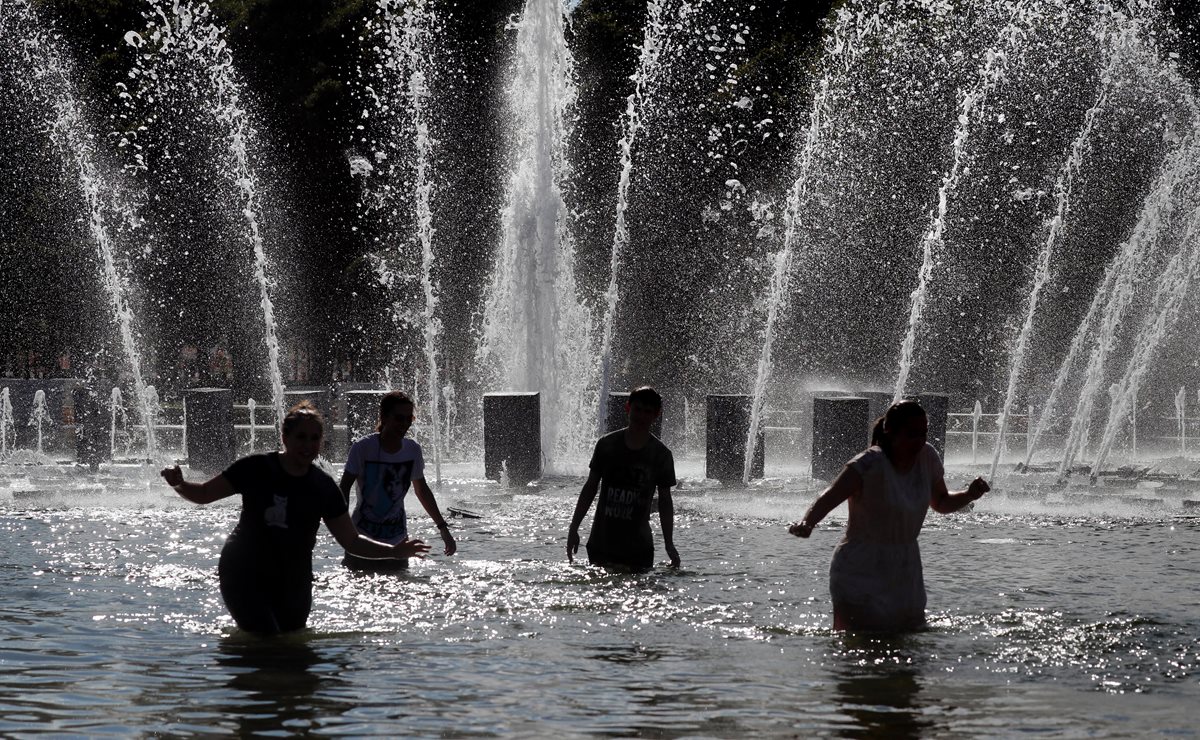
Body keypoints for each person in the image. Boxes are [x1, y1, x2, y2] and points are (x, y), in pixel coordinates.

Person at [161, 401, 430, 634]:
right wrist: (179, 484)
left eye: (314, 438)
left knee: (294, 647)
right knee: (266, 638)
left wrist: (394, 551)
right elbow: (204, 494)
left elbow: (351, 541)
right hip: (244, 569)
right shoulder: (256, 468)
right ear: (285, 437)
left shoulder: (323, 487)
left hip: (294, 578)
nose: (307, 445)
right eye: (301, 437)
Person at [789, 399, 989, 632]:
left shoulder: (927, 457)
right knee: (860, 642)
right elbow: (831, 495)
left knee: (910, 641)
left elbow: (941, 502)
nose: (919, 441)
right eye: (911, 434)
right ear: (890, 432)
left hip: (905, 567)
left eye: (923, 433)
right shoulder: (869, 463)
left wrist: (969, 494)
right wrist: (808, 522)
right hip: (860, 567)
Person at [339, 391, 456, 570]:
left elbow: (422, 490)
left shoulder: (412, 450)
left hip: (399, 542)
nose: (404, 424)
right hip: (362, 541)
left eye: (409, 419)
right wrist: (343, 527)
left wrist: (443, 528)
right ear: (384, 417)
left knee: (400, 586)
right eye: (399, 418)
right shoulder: (363, 448)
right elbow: (344, 488)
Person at [567, 386, 680, 570]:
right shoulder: (606, 445)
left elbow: (665, 501)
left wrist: (669, 543)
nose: (641, 416)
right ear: (628, 408)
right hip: (602, 542)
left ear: (656, 415)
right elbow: (590, 487)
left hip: (638, 547)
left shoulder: (661, 455)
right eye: (637, 409)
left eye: (647, 412)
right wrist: (574, 528)